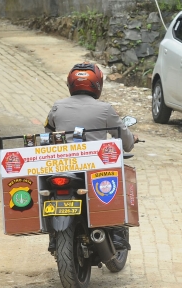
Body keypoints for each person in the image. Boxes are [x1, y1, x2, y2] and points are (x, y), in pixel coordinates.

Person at [44, 62, 139, 252]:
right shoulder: (105, 109)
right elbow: (125, 140)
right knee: (113, 184)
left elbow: (47, 134)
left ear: (71, 84)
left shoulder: (57, 107)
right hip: (94, 169)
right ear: (97, 84)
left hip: (64, 167)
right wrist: (132, 140)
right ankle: (117, 233)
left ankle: (54, 236)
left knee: (48, 190)